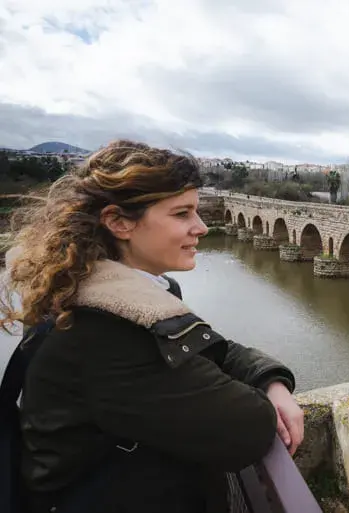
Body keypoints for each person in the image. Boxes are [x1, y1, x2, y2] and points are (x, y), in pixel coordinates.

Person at [0, 140, 304, 513]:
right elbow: (248, 428)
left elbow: (210, 348)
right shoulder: (106, 334)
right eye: (182, 214)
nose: (201, 227)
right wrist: (265, 397)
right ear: (118, 222)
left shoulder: (93, 292)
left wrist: (270, 379)